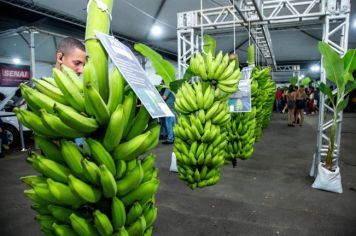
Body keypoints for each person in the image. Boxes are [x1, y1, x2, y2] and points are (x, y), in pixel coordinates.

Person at [55, 37, 86, 146]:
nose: (81, 70)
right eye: (77, 63)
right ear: (60, 57)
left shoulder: (82, 91)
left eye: (83, 65)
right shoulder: (41, 91)